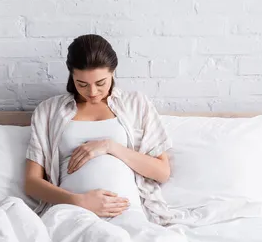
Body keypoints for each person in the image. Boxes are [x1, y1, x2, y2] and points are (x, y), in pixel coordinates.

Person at [24, 34, 174, 225]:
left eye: (101, 83)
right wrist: (78, 201)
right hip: (72, 212)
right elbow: (31, 183)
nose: (92, 92)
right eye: (82, 84)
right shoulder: (49, 110)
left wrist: (110, 146)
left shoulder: (136, 104)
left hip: (126, 212)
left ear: (113, 72)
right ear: (71, 76)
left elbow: (162, 172)